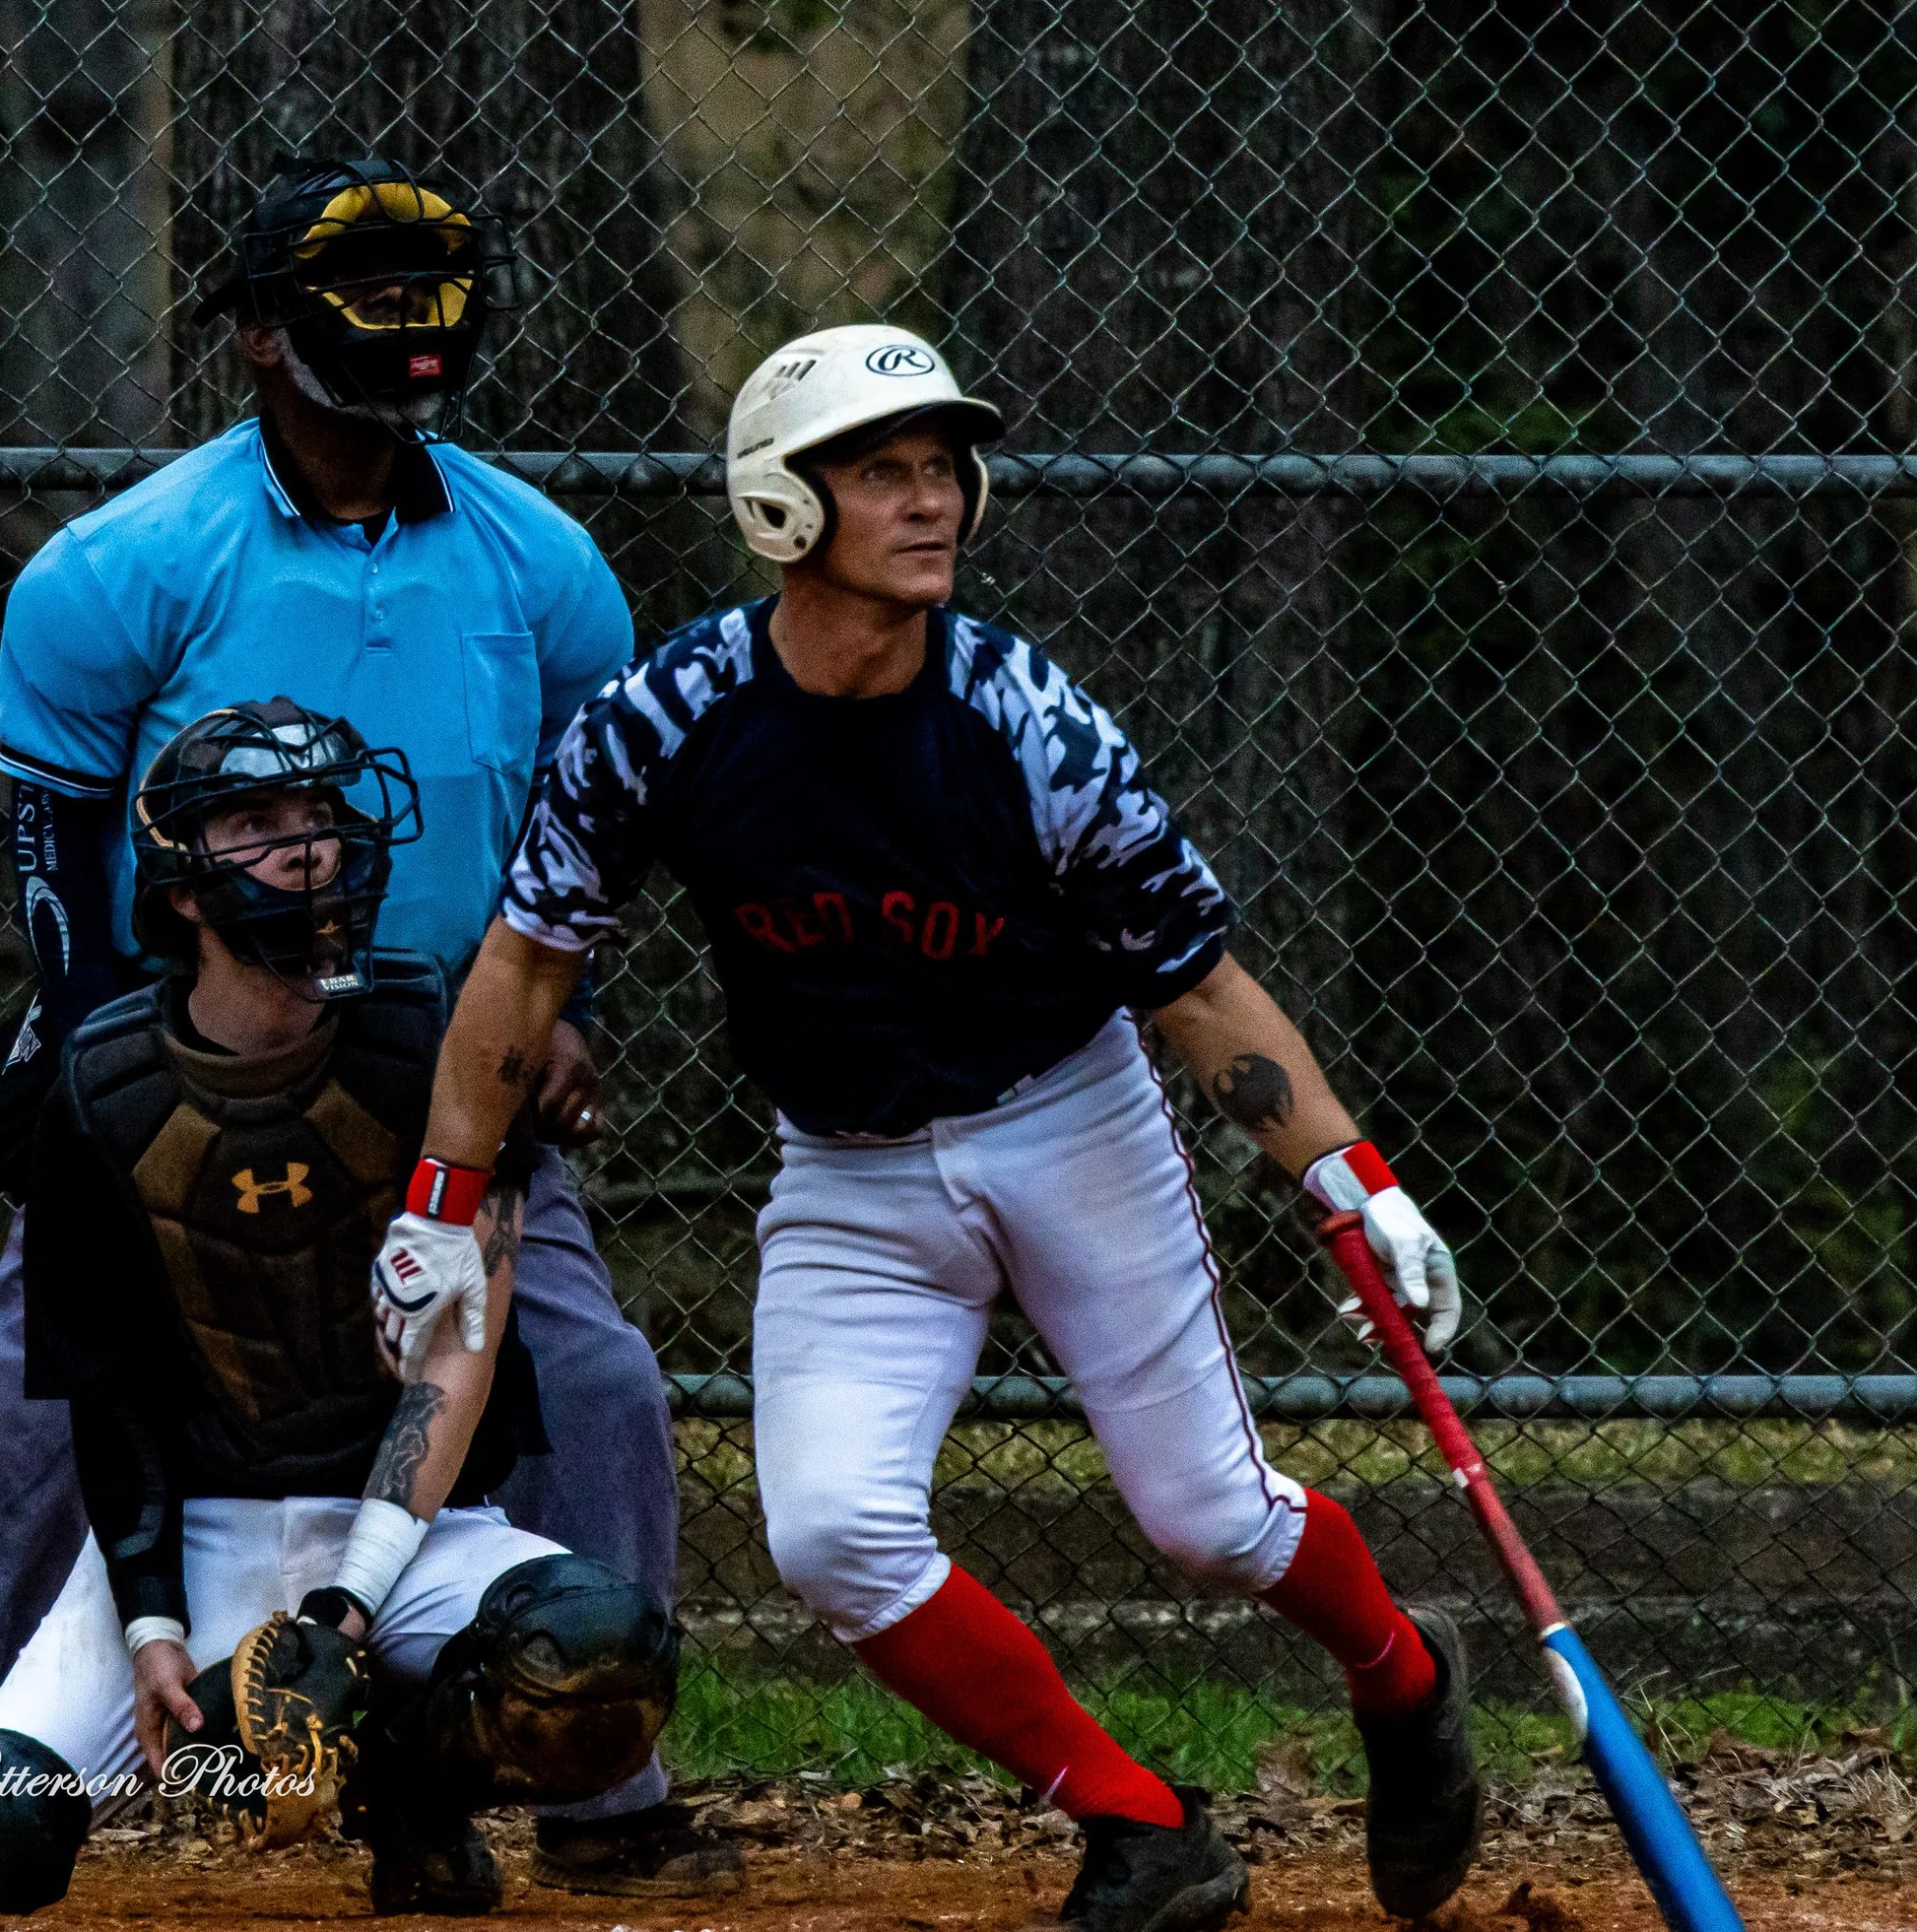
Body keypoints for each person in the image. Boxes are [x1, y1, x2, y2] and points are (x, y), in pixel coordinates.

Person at [366, 324, 1484, 1932]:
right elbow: (526, 964)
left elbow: (1197, 984)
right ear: (780, 507)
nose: (931, 498)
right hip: (850, 1168)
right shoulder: (663, 722)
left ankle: (1401, 1676)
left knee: (1209, 1516)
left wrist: (1350, 1174)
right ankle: (1144, 1825)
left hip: (1068, 1120)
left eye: (942, 465)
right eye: (880, 471)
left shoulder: (1027, 721)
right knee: (832, 1538)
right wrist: (435, 1201)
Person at [0, 156, 734, 1897]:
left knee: (605, 1386)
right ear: (259, 337)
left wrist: (570, 1018)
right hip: (189, 1073)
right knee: (14, 1429)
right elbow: (53, 857)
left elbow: (588, 835)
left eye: (435, 287)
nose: (412, 327)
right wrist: (105, 1079)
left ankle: (597, 1791)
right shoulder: (123, 568)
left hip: (447, 1095)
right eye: (364, 294)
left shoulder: (542, 565)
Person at [0, 701, 679, 1915]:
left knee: (599, 1657)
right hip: (191, 1530)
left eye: (321, 816)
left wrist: (343, 1608)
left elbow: (455, 1351)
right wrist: (154, 1626)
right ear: (185, 889)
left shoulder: (442, 1044)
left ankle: (408, 1787)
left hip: (413, 1534)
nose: (306, 847)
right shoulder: (95, 1085)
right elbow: (108, 1397)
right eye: (258, 822)